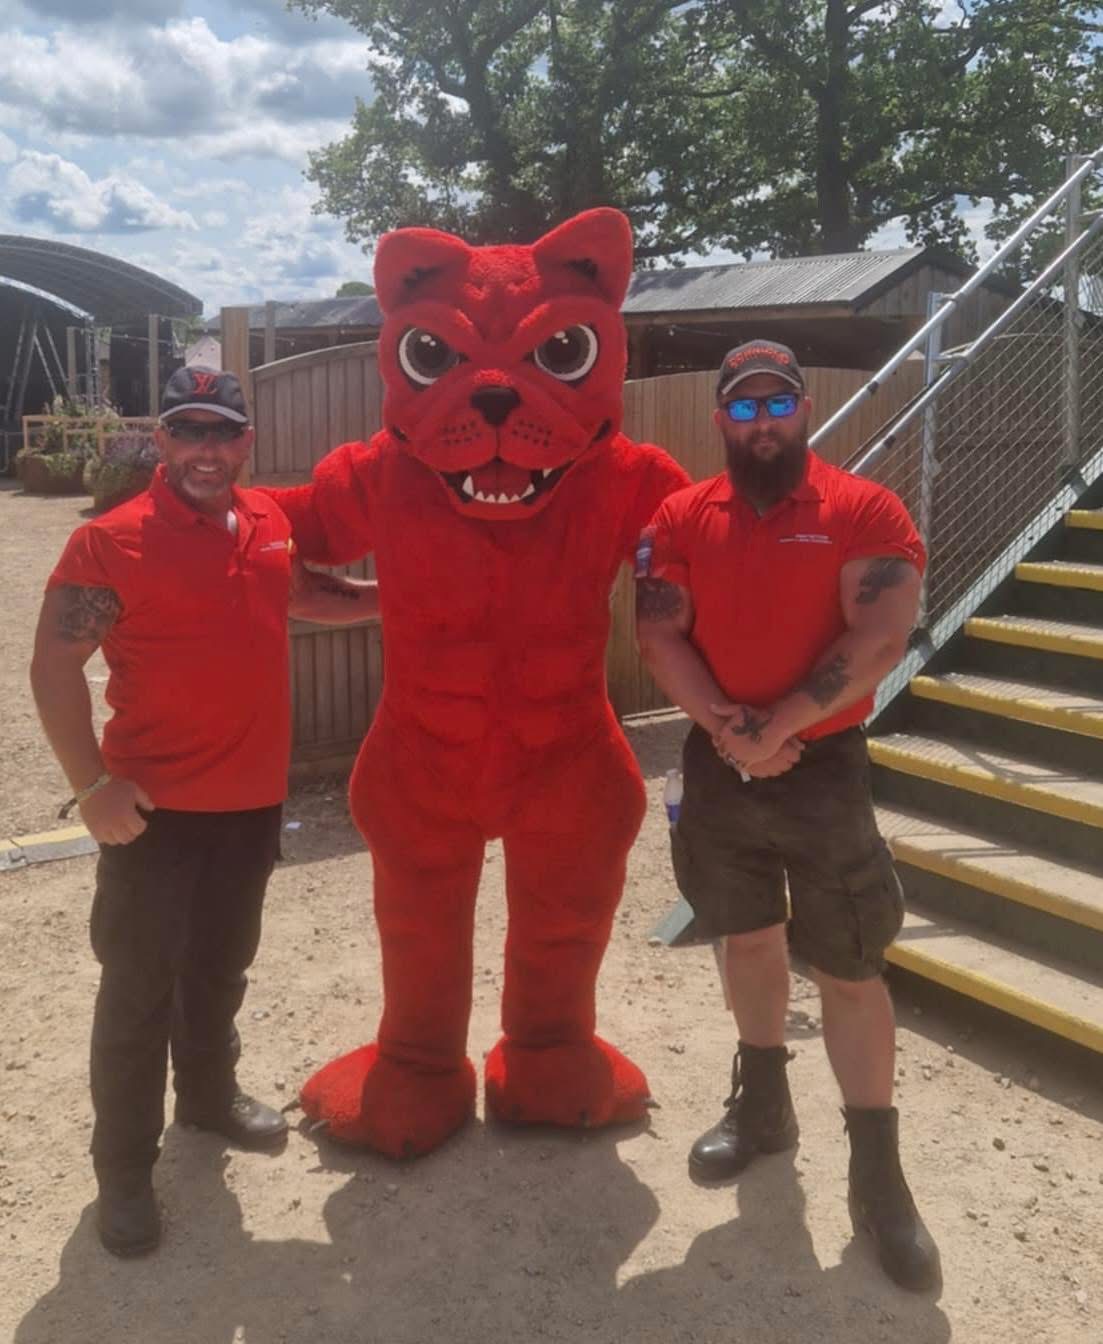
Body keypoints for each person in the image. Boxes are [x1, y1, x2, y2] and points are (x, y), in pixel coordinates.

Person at [29, 365, 379, 1258]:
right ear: (163, 441)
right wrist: (92, 787)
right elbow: (54, 667)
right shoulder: (110, 543)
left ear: (245, 443)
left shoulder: (263, 520)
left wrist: (399, 600)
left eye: (222, 432)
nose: (206, 450)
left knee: (222, 970)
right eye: (188, 431)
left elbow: (297, 592)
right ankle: (123, 1173)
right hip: (152, 814)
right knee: (138, 993)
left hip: (250, 804)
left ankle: (209, 1100)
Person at [634, 340, 940, 1293]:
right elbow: (658, 632)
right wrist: (731, 729)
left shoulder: (863, 510)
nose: (760, 422)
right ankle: (762, 1105)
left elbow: (878, 634)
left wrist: (780, 727)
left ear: (802, 411)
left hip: (821, 767)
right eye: (743, 406)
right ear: (720, 418)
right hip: (720, 760)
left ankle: (877, 1177)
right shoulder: (680, 516)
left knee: (848, 965)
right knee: (746, 935)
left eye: (776, 405)